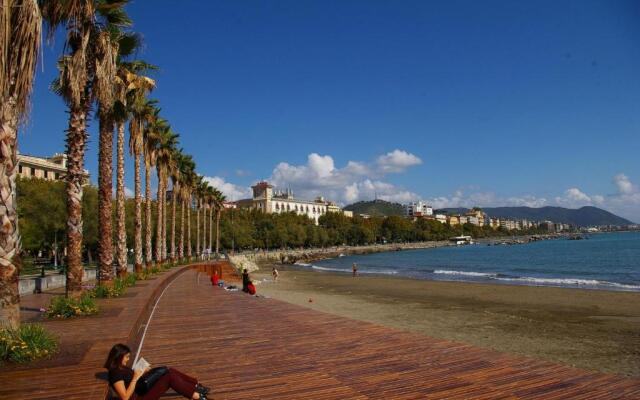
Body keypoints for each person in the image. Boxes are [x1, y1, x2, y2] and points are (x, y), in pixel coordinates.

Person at [105, 343, 209, 400]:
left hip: (142, 389)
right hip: (140, 397)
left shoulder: (120, 368)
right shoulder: (115, 373)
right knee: (169, 376)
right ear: (119, 356)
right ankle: (196, 396)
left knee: (170, 371)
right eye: (126, 357)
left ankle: (196, 385)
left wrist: (142, 372)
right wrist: (135, 377)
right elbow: (125, 397)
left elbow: (131, 380)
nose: (128, 360)